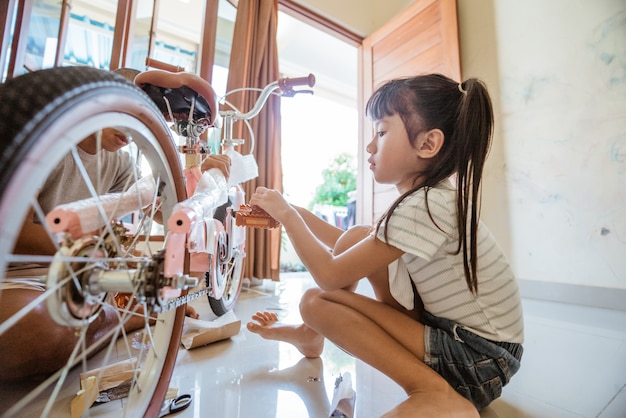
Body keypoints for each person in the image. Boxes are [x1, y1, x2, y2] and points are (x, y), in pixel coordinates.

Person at [246, 73, 524, 417]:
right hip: (478, 350)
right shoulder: (429, 200)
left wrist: (288, 216)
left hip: (478, 360)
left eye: (381, 132)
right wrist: (294, 212)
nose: (369, 145)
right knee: (359, 235)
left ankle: (433, 392)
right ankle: (310, 334)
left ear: (427, 144)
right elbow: (349, 249)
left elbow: (332, 275)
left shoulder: (423, 206)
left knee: (315, 301)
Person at [0, 127, 231, 381]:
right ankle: (128, 317)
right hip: (21, 277)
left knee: (189, 270)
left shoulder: (120, 160)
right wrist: (95, 248)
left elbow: (163, 212)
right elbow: (15, 234)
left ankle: (113, 315)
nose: (131, 131)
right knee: (37, 333)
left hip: (84, 275)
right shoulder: (45, 144)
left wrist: (200, 178)